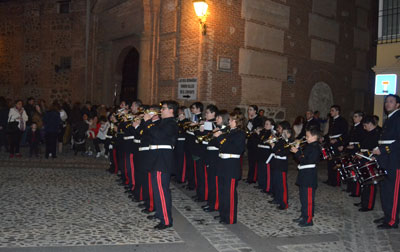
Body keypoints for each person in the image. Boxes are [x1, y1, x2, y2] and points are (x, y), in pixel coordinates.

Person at [147, 100, 179, 229]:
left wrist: (149, 122)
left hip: (162, 160)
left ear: (171, 110)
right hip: (157, 158)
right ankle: (160, 213)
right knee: (157, 189)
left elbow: (158, 136)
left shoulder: (171, 123)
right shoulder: (162, 122)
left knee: (161, 190)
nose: (161, 110)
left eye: (164, 108)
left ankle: (166, 220)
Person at [372, 94, 400, 229]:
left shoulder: (398, 117)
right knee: (385, 190)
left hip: (395, 160)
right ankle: (387, 215)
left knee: (393, 192)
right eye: (386, 101)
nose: (387, 104)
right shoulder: (389, 118)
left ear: (397, 105)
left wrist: (384, 150)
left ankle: (393, 220)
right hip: (385, 160)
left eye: (391, 101)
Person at [214, 112, 246, 224]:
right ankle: (223, 215)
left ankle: (231, 218)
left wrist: (221, 137)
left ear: (238, 122)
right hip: (222, 163)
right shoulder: (228, 132)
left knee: (230, 193)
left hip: (231, 165)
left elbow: (234, 148)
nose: (229, 122)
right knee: (222, 192)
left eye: (232, 120)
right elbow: (221, 145)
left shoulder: (240, 133)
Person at [291, 126, 322, 227]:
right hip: (304, 174)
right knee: (303, 198)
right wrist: (299, 149)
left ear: (314, 136)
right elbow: (303, 157)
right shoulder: (310, 146)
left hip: (309, 176)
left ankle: (308, 219)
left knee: (308, 199)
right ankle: (304, 215)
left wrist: (297, 152)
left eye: (308, 136)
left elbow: (306, 159)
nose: (306, 138)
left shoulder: (315, 147)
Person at [353, 115, 380, 212]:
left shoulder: (377, 134)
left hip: (371, 161)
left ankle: (368, 205)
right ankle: (364, 201)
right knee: (364, 183)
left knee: (371, 184)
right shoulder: (368, 133)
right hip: (364, 160)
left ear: (370, 124)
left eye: (365, 126)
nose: (364, 128)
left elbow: (375, 149)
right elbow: (364, 145)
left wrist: (364, 153)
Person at [269, 121, 292, 210]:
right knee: (276, 182)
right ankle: (277, 198)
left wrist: (273, 146)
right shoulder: (280, 139)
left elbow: (282, 152)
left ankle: (284, 203)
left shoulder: (288, 141)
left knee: (282, 184)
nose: (278, 130)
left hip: (281, 164)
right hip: (276, 162)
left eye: (280, 128)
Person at [325, 105, 348, 187]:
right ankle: (330, 179)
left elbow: (345, 134)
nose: (330, 112)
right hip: (331, 143)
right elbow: (330, 133)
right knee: (329, 161)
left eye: (332, 110)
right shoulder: (332, 120)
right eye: (331, 110)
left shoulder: (342, 120)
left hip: (337, 144)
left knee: (336, 163)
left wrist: (338, 140)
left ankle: (336, 181)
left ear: (337, 111)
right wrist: (324, 138)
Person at [345, 111, 366, 197]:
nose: (354, 118)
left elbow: (362, 141)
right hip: (351, 150)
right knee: (350, 170)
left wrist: (354, 146)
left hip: (356, 150)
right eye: (353, 116)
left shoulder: (362, 128)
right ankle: (351, 188)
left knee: (356, 171)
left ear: (361, 118)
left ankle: (356, 191)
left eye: (356, 116)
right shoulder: (354, 127)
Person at [256, 118, 275, 193]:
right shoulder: (263, 131)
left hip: (267, 153)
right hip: (261, 152)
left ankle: (267, 187)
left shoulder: (272, 133)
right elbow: (260, 140)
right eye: (265, 124)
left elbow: (268, 142)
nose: (265, 125)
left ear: (271, 125)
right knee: (260, 169)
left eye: (267, 124)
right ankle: (261, 184)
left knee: (266, 171)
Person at [246, 105, 263, 184]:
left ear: (255, 111)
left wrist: (250, 121)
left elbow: (253, 129)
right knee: (250, 161)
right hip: (250, 142)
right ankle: (250, 177)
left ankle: (253, 178)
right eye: (249, 110)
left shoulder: (258, 119)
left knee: (254, 161)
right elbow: (248, 129)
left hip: (255, 142)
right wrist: (249, 120)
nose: (249, 111)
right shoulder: (251, 119)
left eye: (251, 110)